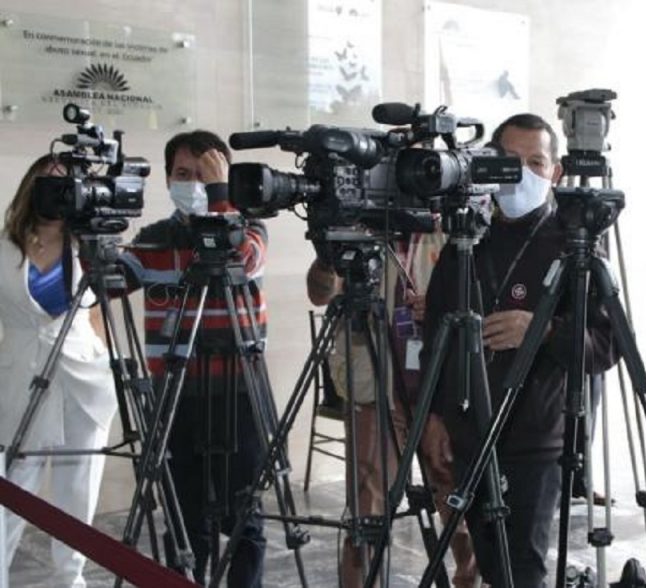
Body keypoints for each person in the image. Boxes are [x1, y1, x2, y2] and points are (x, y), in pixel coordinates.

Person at [421, 113, 618, 586]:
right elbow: (435, 339)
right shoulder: (465, 241)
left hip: (535, 441)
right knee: (491, 566)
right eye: (512, 161)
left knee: (523, 569)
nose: (525, 173)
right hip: (468, 434)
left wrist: (543, 331)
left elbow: (606, 347)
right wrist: (434, 417)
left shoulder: (576, 246)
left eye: (537, 161)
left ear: (555, 172)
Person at [117, 131, 269, 587]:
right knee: (184, 519)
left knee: (245, 518)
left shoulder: (249, 226)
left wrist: (222, 198)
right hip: (176, 394)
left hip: (240, 390)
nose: (194, 184)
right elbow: (105, 285)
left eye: (204, 175)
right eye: (183, 175)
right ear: (167, 180)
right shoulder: (154, 240)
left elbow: (243, 256)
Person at [305, 221, 478, 588]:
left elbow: (482, 295)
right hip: (375, 388)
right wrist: (327, 253)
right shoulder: (359, 223)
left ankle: (471, 578)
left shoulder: (450, 216)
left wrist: (440, 304)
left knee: (461, 511)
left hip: (442, 390)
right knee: (365, 517)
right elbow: (319, 293)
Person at [0, 155, 119, 587]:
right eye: (47, 183)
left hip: (81, 378)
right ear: (30, 188)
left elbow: (100, 311)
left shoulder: (89, 245)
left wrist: (103, 356)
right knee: (12, 486)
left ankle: (69, 578)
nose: (56, 192)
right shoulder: (4, 246)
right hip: (18, 378)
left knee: (78, 489)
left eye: (66, 185)